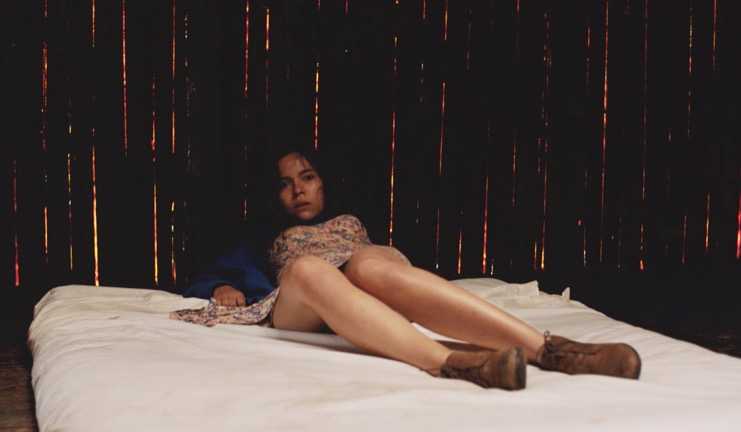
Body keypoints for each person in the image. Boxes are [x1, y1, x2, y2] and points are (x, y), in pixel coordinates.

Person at [180, 147, 641, 390]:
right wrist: (221, 286)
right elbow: (211, 273)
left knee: (367, 263)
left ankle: (551, 351)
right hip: (308, 302)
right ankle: (453, 363)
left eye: (308, 177)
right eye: (285, 184)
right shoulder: (265, 236)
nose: (298, 190)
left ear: (324, 183)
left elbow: (382, 267)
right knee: (306, 268)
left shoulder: (350, 223)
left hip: (367, 285)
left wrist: (371, 259)